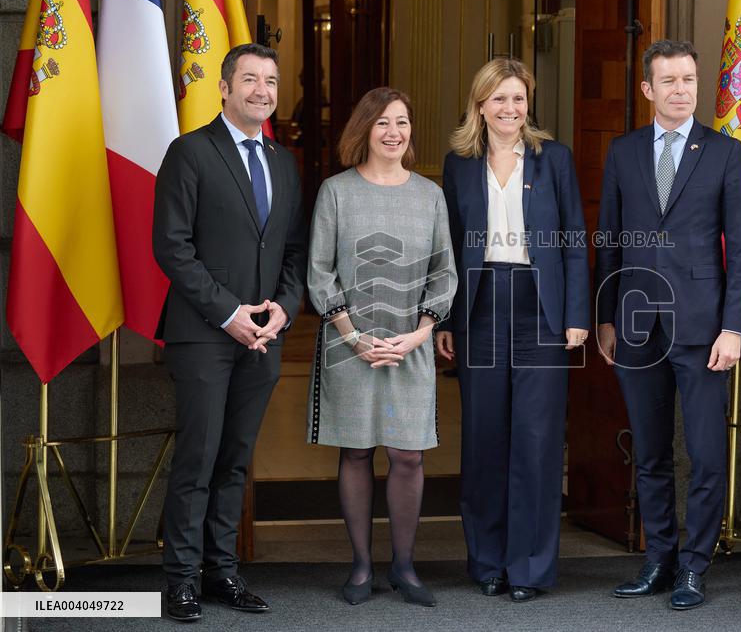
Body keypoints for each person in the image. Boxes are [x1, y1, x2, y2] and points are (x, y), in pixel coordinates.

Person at [595, 39, 741, 611]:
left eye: (688, 79)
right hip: (636, 325)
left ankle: (694, 567)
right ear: (648, 89)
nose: (681, 89)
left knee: (706, 456)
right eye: (669, 80)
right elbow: (609, 240)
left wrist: (734, 327)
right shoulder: (623, 152)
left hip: (704, 328)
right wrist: (606, 317)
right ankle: (659, 560)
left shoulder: (725, 153)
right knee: (651, 453)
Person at [153, 43, 307, 622]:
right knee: (199, 457)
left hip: (263, 337)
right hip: (204, 334)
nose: (262, 91)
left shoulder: (284, 163)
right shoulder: (190, 152)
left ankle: (222, 573)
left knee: (236, 458)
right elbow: (172, 246)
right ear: (224, 88)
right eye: (249, 79)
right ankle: (181, 579)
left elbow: (294, 251)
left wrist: (283, 309)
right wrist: (228, 313)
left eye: (271, 81)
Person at [435, 58, 590, 603]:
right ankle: (488, 562)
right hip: (479, 308)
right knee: (484, 439)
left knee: (537, 441)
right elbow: (447, 249)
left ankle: (529, 567)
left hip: (540, 308)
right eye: (499, 98)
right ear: (480, 105)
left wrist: (577, 314)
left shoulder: (555, 159)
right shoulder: (458, 164)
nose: (510, 108)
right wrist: (446, 319)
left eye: (518, 98)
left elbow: (574, 238)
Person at [307, 87, 456, 607]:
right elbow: (319, 271)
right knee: (356, 450)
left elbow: (444, 272)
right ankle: (361, 566)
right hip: (349, 343)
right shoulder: (336, 192)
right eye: (383, 123)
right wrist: (353, 336)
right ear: (364, 130)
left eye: (402, 122)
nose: (394, 132)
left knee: (407, 454)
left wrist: (419, 333)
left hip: (409, 343)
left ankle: (405, 567)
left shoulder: (429, 195)